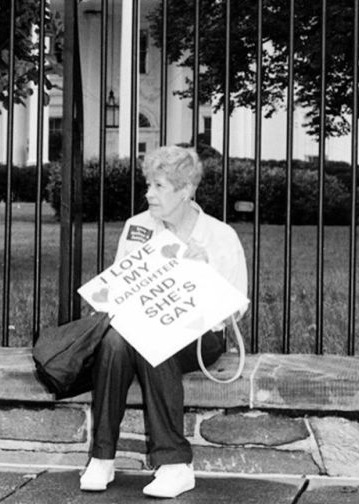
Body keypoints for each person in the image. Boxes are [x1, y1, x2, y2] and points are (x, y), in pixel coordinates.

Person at [80, 145, 248, 498]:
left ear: (185, 190)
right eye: (148, 185)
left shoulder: (219, 235)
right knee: (115, 341)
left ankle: (173, 464)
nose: (148, 194)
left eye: (158, 187)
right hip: (143, 327)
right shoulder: (137, 227)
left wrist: (204, 275)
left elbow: (234, 310)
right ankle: (103, 457)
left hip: (202, 335)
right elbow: (123, 290)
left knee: (149, 339)